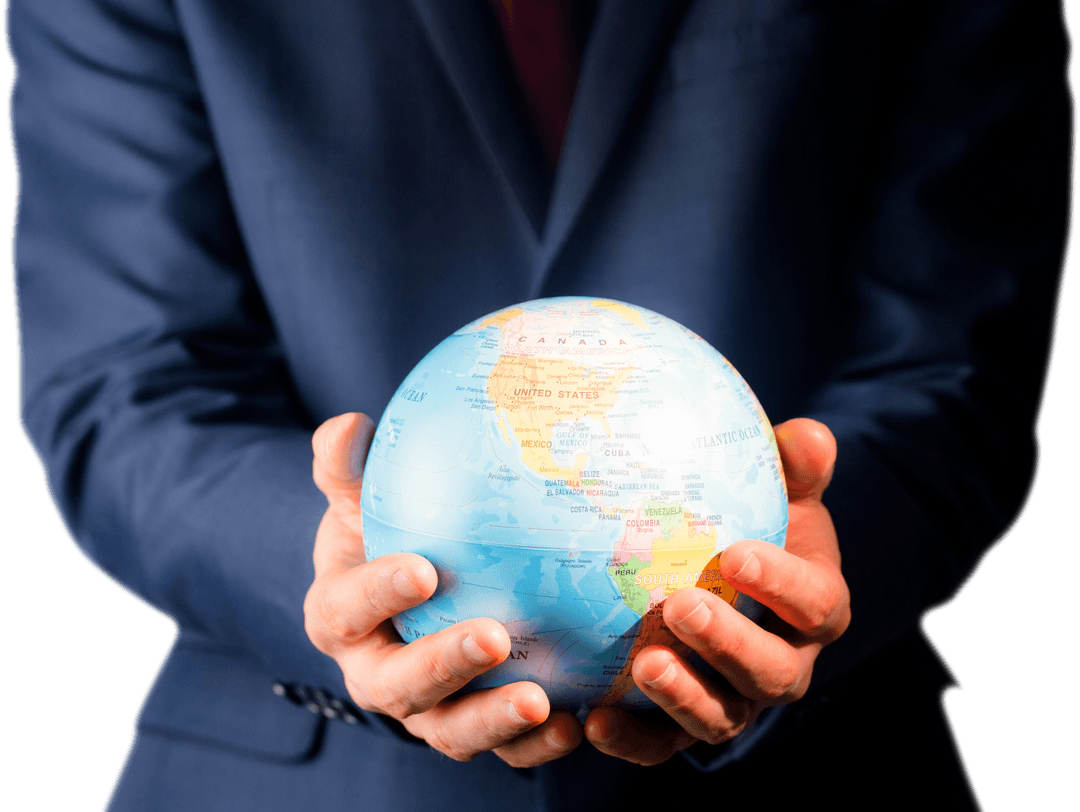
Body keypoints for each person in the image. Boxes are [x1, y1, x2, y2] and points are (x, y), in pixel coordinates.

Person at [8, 0, 1073, 809]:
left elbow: (959, 358)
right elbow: (125, 384)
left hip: (822, 766)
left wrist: (804, 579)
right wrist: (343, 579)